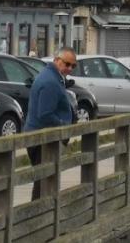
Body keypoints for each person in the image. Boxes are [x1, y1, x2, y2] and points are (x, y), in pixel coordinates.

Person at [24, 47, 76, 200]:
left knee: (45, 179)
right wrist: (63, 125)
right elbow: (45, 114)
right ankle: (38, 211)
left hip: (41, 136)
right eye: (67, 64)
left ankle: (43, 210)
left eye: (73, 65)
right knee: (43, 181)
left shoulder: (51, 76)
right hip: (43, 139)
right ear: (57, 60)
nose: (70, 69)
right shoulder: (50, 82)